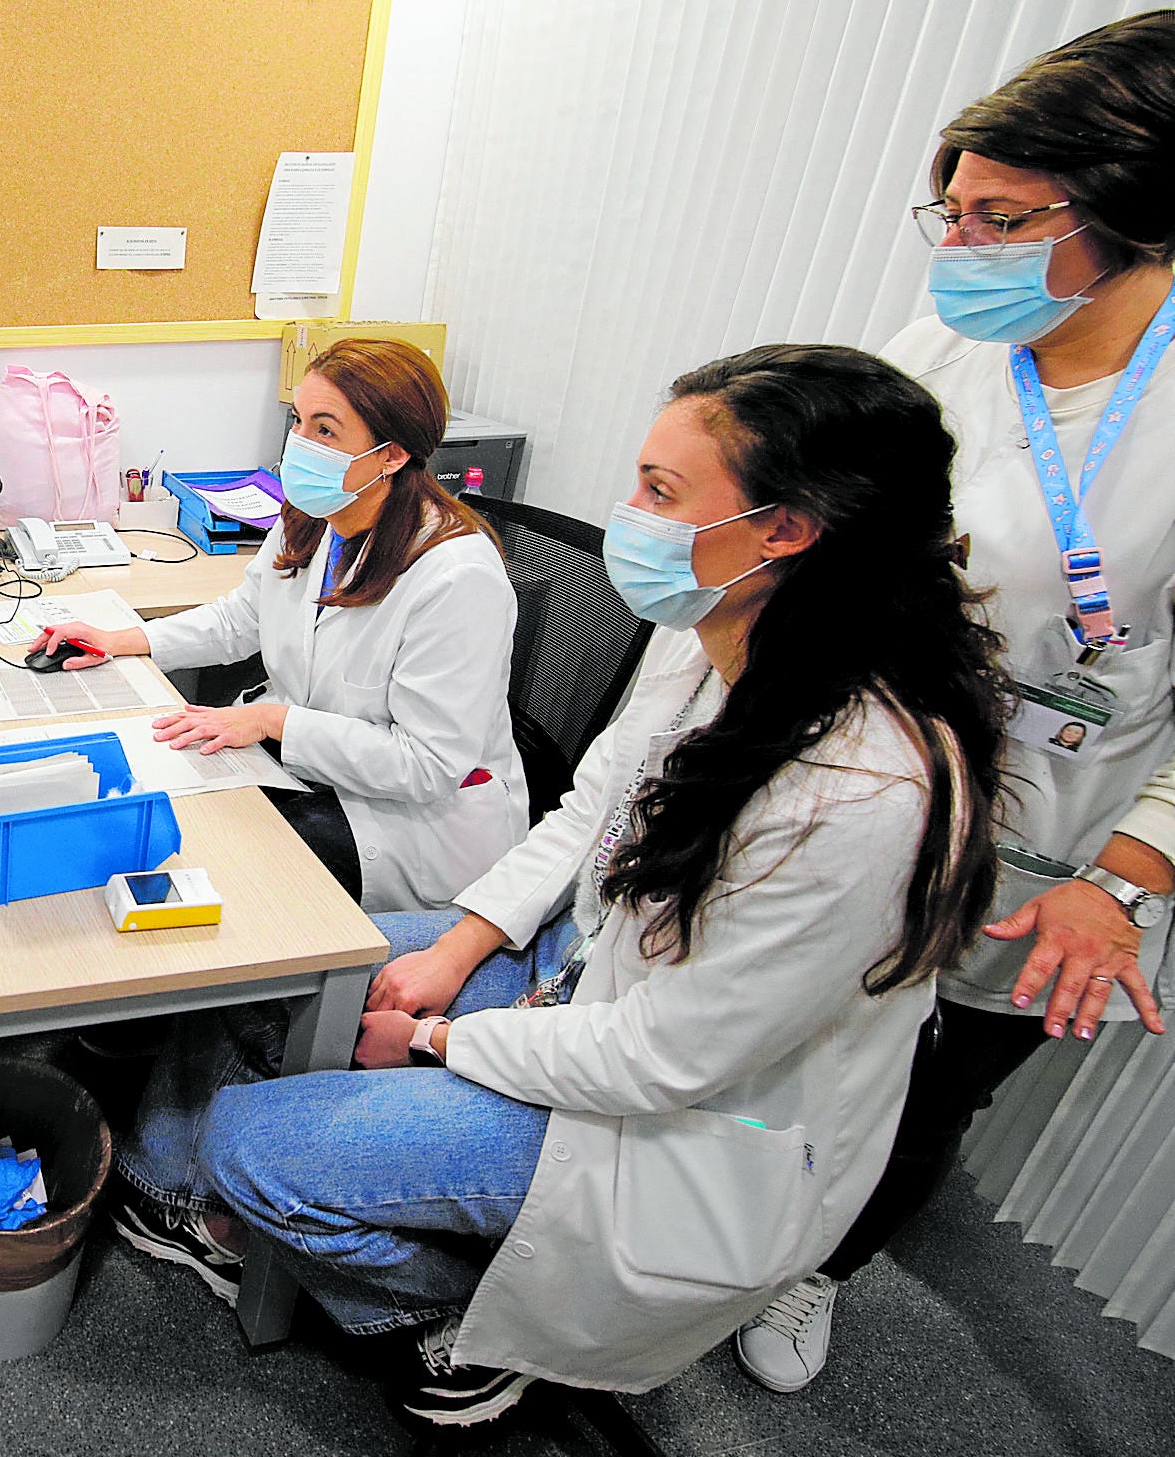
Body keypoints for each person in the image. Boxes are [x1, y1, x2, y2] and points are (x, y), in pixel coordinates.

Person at [121, 345, 1009, 1428]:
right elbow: (587, 811)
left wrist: (439, 1037)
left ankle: (474, 1323)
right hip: (579, 963)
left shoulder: (859, 793)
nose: (624, 511)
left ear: (785, 528)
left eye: (661, 491)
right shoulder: (715, 637)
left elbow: (661, 1056)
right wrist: (453, 951)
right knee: (285, 956)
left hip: (671, 1120)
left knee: (253, 1142)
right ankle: (194, 1210)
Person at [732, 9, 1175, 1393]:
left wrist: (1129, 876)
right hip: (883, 762)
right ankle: (717, 1222)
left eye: (1002, 219)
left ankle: (816, 1266)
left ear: (1136, 216)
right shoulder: (947, 343)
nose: (964, 249)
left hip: (1069, 816)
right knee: (802, 1014)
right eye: (955, 213)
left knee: (940, 1074)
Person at [29, 337, 527, 912]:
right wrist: (125, 640)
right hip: (313, 774)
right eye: (298, 421)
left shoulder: (456, 576)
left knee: (221, 866)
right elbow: (242, 619)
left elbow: (426, 765)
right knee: (157, 809)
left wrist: (272, 721)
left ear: (391, 455)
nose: (300, 445)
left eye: (326, 430)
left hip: (407, 826)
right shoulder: (316, 517)